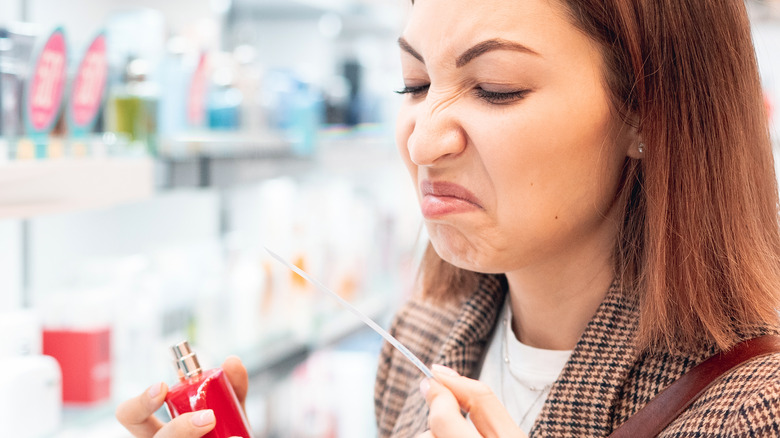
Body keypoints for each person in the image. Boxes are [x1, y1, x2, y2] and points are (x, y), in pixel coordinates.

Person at [117, 0, 780, 436]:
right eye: (414, 84)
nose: (422, 141)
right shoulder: (418, 340)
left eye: (495, 89)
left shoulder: (753, 410)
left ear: (647, 113)